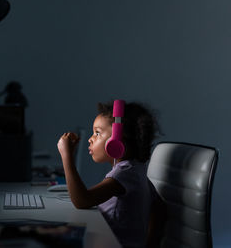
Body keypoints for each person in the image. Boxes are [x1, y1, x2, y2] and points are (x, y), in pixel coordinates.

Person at [57, 100, 162, 248]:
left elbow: (82, 200)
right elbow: (160, 209)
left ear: (118, 140)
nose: (90, 139)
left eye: (97, 133)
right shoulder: (136, 170)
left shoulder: (124, 174)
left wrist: (66, 156)